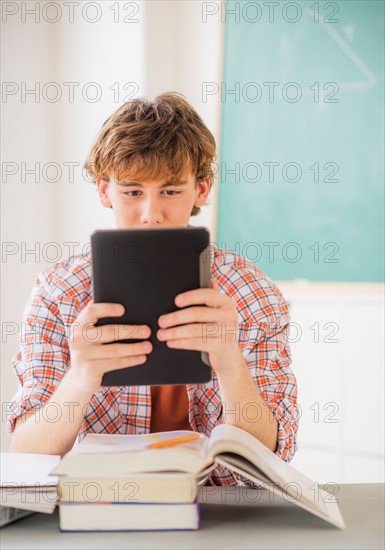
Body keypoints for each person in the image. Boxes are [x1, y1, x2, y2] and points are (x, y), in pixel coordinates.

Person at [8, 92, 298, 486]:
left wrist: (229, 361)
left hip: (218, 517)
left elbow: (274, 453)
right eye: (131, 191)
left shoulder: (252, 293)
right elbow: (24, 450)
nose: (150, 215)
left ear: (200, 190)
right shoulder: (58, 292)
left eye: (171, 190)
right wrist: (79, 379)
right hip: (99, 506)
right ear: (103, 191)